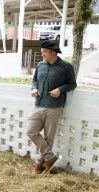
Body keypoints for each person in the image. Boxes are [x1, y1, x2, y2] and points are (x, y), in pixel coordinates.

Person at [27, 40, 77, 174]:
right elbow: (34, 80)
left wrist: (60, 89)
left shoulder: (66, 67)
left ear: (53, 52)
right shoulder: (40, 65)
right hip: (38, 105)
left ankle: (41, 164)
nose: (42, 54)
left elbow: (72, 84)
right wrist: (34, 88)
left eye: (44, 52)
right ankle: (50, 158)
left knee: (49, 138)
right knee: (31, 131)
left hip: (54, 107)